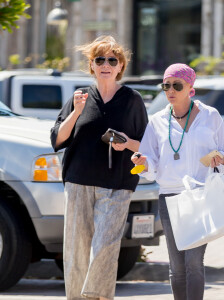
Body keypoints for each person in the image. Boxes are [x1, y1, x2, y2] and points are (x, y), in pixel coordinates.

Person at [50, 36, 148, 300]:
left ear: (120, 66)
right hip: (78, 181)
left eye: (112, 60)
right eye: (99, 60)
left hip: (117, 184)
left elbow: (148, 145)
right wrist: (76, 112)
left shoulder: (132, 100)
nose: (106, 64)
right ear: (92, 65)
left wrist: (126, 143)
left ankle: (96, 296)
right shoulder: (79, 97)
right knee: (76, 249)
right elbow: (58, 140)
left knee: (105, 245)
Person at [131, 63, 224, 300]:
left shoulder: (210, 116)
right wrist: (143, 161)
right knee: (176, 268)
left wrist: (219, 158)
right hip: (169, 197)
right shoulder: (156, 120)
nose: (170, 90)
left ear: (190, 88)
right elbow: (151, 164)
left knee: (193, 262)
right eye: (166, 85)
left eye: (177, 85)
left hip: (200, 195)